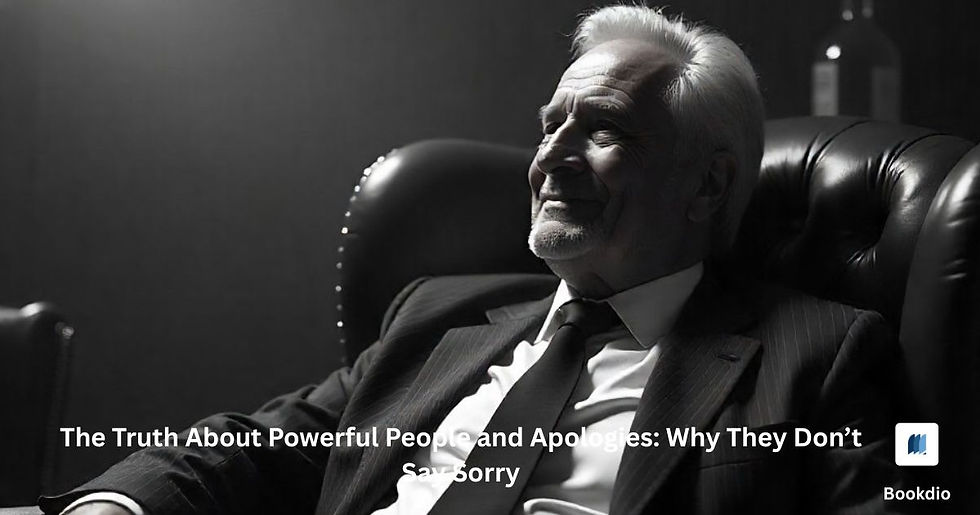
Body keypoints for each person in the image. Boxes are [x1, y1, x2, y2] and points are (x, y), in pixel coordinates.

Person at [43, 5, 907, 515]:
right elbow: (247, 449)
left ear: (709, 185)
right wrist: (113, 505)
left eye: (601, 128)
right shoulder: (438, 317)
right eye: (549, 125)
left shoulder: (821, 355)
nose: (551, 157)